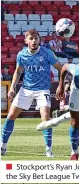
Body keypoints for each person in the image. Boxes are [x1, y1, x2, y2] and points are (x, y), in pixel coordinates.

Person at [1, 29, 62, 157]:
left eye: (36, 38)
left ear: (39, 40)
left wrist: (61, 85)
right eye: (31, 38)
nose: (34, 41)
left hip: (43, 89)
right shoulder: (21, 54)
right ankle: (3, 146)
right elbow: (18, 72)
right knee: (11, 115)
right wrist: (12, 87)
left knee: (45, 117)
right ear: (26, 40)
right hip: (26, 89)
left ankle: (48, 149)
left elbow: (61, 69)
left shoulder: (47, 53)